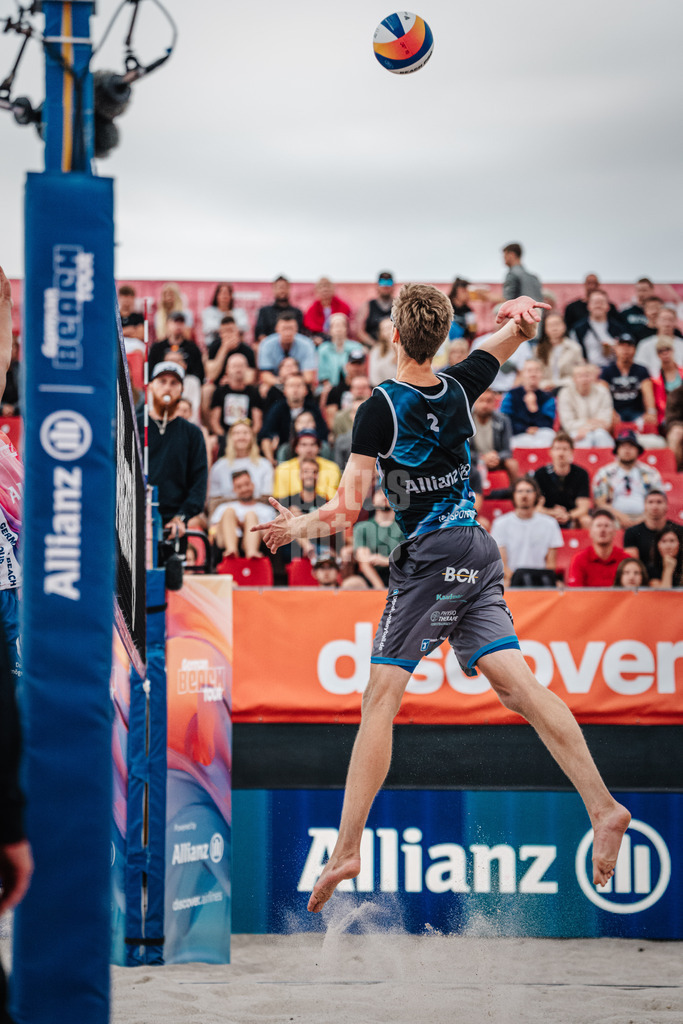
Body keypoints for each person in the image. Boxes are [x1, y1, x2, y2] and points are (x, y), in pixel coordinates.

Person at [252, 285, 630, 911]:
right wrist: (522, 319)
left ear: (393, 335)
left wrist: (294, 527)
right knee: (518, 688)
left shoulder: (380, 407)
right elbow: (503, 344)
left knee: (380, 698)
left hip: (432, 557)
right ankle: (603, 807)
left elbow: (347, 513)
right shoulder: (459, 383)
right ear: (440, 337)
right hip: (478, 551)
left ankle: (348, 848)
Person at [139, 362, 208, 551]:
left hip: (173, 525)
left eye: (173, 383)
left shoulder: (192, 433)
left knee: (171, 578)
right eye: (162, 381)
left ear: (182, 389)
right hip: (136, 518)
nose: (167, 387)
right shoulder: (136, 426)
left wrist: (182, 517)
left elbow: (199, 482)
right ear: (151, 385)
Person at [491, 477, 563, 585]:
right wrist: (521, 580)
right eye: (520, 491)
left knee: (560, 586)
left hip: (541, 580)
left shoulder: (550, 524)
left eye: (528, 491)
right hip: (511, 580)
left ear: (536, 495)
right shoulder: (500, 523)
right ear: (514, 495)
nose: (524, 495)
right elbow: (502, 565)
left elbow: (550, 564)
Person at [592, 428, 663, 528]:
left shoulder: (651, 473)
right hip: (614, 518)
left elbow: (659, 500)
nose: (627, 450)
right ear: (617, 450)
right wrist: (620, 516)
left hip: (646, 518)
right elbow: (600, 502)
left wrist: (643, 518)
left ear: (637, 450)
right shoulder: (605, 473)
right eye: (623, 446)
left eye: (631, 446)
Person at [259, 372, 328, 464]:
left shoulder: (313, 409)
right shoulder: (277, 409)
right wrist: (271, 461)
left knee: (325, 447)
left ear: (306, 391)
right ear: (285, 391)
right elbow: (265, 436)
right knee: (283, 449)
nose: (295, 390)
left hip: (310, 449)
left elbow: (323, 434)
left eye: (299, 386)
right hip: (286, 451)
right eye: (291, 386)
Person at [209, 469, 276, 558]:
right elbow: (213, 531)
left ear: (253, 485)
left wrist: (246, 526)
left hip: (258, 543)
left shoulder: (266, 510)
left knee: (251, 515)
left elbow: (272, 533)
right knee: (229, 512)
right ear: (234, 489)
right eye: (239, 487)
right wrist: (236, 524)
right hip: (224, 543)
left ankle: (252, 552)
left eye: (247, 484)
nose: (244, 489)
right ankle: (231, 550)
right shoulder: (223, 507)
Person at [208, 419, 273, 509]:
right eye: (237, 433)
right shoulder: (219, 466)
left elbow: (267, 498)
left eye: (245, 433)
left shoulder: (264, 465)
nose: (241, 437)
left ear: (252, 437)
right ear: (230, 438)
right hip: (226, 513)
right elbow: (213, 501)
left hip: (258, 512)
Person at [532, 432, 591, 529]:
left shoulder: (581, 473)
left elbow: (583, 507)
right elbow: (536, 508)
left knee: (586, 520)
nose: (561, 453)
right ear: (550, 452)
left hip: (572, 517)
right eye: (557, 449)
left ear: (572, 452)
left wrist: (568, 515)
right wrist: (552, 513)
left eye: (565, 449)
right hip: (547, 516)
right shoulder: (540, 474)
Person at [600, 333, 656, 431]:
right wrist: (610, 412)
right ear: (615, 349)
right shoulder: (607, 371)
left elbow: (648, 393)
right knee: (607, 422)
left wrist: (650, 412)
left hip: (637, 412)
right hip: (615, 411)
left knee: (649, 423)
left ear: (634, 349)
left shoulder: (641, 370)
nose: (625, 350)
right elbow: (603, 396)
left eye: (629, 346)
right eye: (622, 346)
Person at [352, 489, 404, 589]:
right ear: (373, 500)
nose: (384, 497)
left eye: (388, 494)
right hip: (372, 575)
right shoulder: (362, 527)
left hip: (399, 573)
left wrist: (385, 561)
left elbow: (408, 558)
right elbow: (364, 562)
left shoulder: (404, 527)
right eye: (380, 493)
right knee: (351, 584)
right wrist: (379, 588)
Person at [209, 352, 263, 445]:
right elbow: (214, 422)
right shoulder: (219, 391)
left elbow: (257, 423)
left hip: (248, 436)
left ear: (247, 369)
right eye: (234, 366)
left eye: (241, 366)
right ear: (227, 369)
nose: (238, 369)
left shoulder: (253, 391)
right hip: (225, 436)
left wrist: (248, 436)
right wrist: (225, 437)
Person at [500, 358, 556, 447]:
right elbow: (506, 420)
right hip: (517, 435)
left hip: (540, 435)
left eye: (537, 371)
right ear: (522, 374)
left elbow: (548, 424)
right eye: (529, 371)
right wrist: (525, 429)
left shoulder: (548, 397)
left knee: (550, 435)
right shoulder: (511, 395)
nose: (533, 374)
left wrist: (534, 409)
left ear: (541, 374)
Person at [623, 490, 677, 580]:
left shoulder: (678, 531)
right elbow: (632, 565)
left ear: (666, 506)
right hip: (643, 583)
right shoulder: (632, 532)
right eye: (650, 502)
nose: (654, 506)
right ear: (644, 506)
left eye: (659, 502)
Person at [272, 430, 341, 501]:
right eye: (304, 445)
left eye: (313, 444)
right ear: (296, 448)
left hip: (323, 509)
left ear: (319, 448)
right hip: (292, 509)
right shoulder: (283, 469)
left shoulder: (332, 468)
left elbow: (332, 499)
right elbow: (281, 499)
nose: (308, 449)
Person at [557, 363, 614, 448]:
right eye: (580, 376)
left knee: (600, 435)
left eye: (587, 375)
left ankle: (607, 460)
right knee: (582, 438)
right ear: (574, 379)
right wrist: (589, 423)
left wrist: (587, 429)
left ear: (593, 378)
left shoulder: (603, 392)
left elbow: (606, 421)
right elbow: (568, 424)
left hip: (599, 431)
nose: (584, 379)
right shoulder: (565, 393)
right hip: (575, 432)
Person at [470, 388, 519, 487]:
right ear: (475, 402)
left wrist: (496, 457)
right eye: (481, 400)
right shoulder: (467, 421)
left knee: (512, 464)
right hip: (474, 461)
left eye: (489, 401)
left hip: (496, 460)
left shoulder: (503, 421)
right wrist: (482, 458)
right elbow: (462, 450)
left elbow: (507, 451)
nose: (485, 405)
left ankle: (514, 493)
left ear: (494, 403)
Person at [566, 509, 627, 587]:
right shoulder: (579, 559)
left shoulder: (625, 559)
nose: (602, 530)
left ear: (614, 532)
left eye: (607, 526)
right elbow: (575, 592)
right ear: (590, 532)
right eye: (598, 526)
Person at [258, 313, 318, 388]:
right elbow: (265, 375)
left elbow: (308, 377)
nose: (287, 333)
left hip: (299, 383)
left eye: (290, 328)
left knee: (311, 387)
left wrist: (292, 381)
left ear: (297, 329)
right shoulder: (266, 344)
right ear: (277, 329)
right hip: (277, 382)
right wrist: (281, 382)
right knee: (264, 388)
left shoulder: (307, 344)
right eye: (284, 328)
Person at [570, 289, 625, 367]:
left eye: (602, 302)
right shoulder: (578, 329)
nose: (598, 305)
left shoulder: (619, 328)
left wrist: (616, 349)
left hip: (612, 371)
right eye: (595, 302)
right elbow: (574, 354)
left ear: (608, 306)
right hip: (588, 371)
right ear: (588, 306)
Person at [148, 311, 204, 383]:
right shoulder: (157, 347)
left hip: (185, 381)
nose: (178, 325)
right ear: (167, 324)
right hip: (162, 381)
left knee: (193, 381)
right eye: (175, 322)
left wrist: (184, 368)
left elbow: (199, 374)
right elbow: (150, 373)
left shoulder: (192, 348)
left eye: (181, 322)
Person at [534, 312, 584, 391]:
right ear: (545, 329)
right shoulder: (538, 349)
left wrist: (556, 384)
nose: (554, 328)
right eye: (550, 325)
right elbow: (536, 373)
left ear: (564, 326)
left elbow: (579, 373)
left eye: (557, 324)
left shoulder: (574, 348)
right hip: (544, 389)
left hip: (568, 387)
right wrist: (544, 385)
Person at [634, 306, 683, 376]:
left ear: (675, 322)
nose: (667, 324)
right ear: (656, 322)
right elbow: (639, 369)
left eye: (670, 320)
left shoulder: (681, 345)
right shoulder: (645, 344)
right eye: (663, 320)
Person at [254, 275, 304, 341]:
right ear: (273, 289)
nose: (282, 290)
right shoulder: (264, 311)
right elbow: (260, 334)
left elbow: (300, 334)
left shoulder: (297, 312)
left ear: (289, 289)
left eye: (284, 287)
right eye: (279, 287)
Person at [355, 272, 396, 348]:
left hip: (394, 346)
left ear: (393, 286)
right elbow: (359, 331)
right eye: (382, 282)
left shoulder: (399, 306)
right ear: (377, 286)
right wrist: (375, 345)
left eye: (389, 282)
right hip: (372, 346)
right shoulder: (367, 306)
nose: (386, 286)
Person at [316, 313, 358, 387]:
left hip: (352, 385)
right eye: (335, 326)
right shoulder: (323, 349)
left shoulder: (356, 347)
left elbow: (359, 370)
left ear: (347, 328)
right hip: (329, 387)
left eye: (342, 325)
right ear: (329, 330)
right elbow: (322, 373)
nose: (339, 328)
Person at [651, 338, 683, 429]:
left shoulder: (682, 373)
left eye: (667, 349)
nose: (665, 353)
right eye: (661, 351)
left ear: (673, 350)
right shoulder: (655, 378)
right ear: (658, 354)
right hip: (667, 416)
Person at [367, 317, 398, 386]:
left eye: (391, 327)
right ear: (381, 333)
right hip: (383, 387)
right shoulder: (376, 351)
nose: (390, 331)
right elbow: (374, 376)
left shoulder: (404, 348)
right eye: (386, 329)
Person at [448, 277, 477, 341]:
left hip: (460, 344)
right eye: (464, 291)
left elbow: (472, 332)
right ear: (456, 291)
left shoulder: (468, 310)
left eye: (468, 292)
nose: (467, 294)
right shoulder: (446, 307)